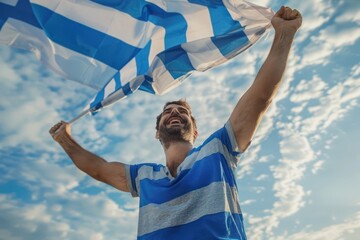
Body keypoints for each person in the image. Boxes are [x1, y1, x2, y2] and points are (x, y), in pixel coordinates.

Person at [50, 6, 302, 240]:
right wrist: (65, 139)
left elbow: (260, 97)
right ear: (157, 133)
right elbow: (99, 169)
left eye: (182, 112)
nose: (175, 113)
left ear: (196, 130)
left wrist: (284, 35)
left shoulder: (218, 150)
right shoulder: (144, 176)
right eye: (168, 111)